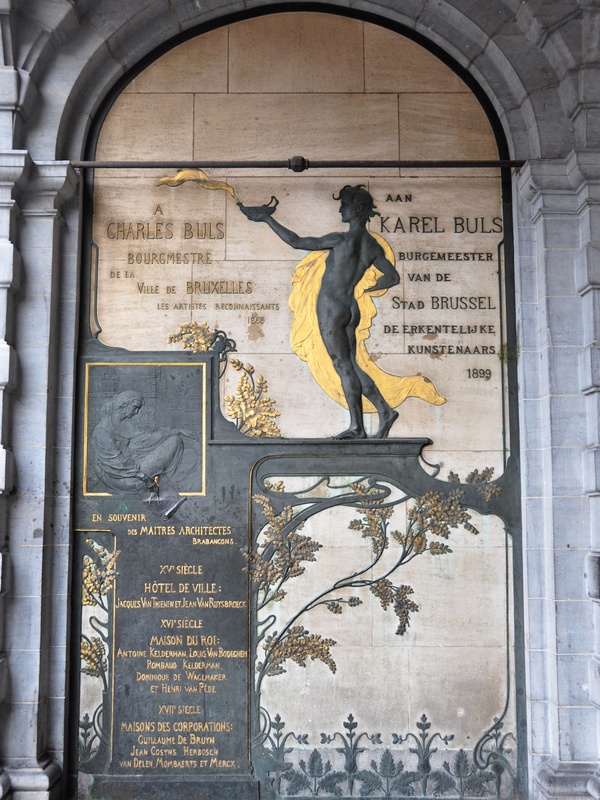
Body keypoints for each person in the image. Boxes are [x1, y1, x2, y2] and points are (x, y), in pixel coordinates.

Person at [240, 185, 400, 439]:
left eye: (345, 205)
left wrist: (268, 219)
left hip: (331, 307)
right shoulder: (372, 246)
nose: (340, 210)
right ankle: (385, 411)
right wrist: (366, 288)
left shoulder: (340, 240)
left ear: (358, 208)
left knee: (343, 366)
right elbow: (392, 277)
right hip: (350, 306)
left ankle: (357, 427)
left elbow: (296, 242)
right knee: (351, 365)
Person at [90, 390, 196, 496]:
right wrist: (144, 477)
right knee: (175, 442)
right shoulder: (102, 432)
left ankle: (163, 483)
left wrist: (175, 431)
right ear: (125, 405)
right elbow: (118, 463)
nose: (136, 412)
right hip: (123, 478)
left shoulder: (124, 424)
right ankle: (161, 486)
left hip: (132, 468)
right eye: (135, 407)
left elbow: (148, 439)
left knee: (174, 440)